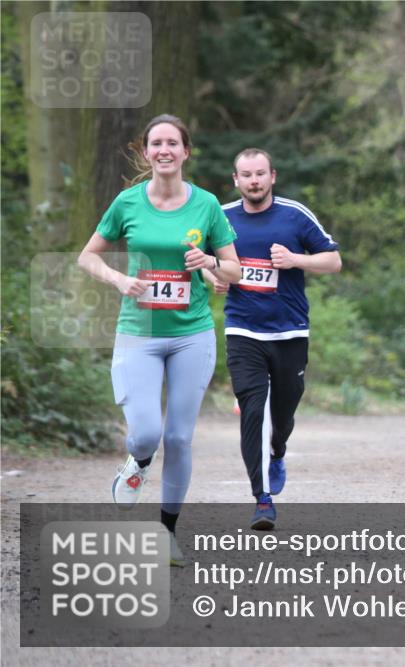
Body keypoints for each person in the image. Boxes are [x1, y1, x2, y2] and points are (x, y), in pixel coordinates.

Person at [78, 114, 240, 566]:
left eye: (173, 143)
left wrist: (208, 260)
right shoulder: (127, 203)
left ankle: (167, 531)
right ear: (146, 153)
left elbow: (234, 271)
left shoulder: (206, 205)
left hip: (191, 335)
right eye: (156, 143)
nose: (164, 150)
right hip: (139, 333)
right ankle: (139, 462)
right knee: (147, 433)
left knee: (181, 438)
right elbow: (87, 256)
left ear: (186, 151)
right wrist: (117, 278)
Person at [203, 148, 340, 530]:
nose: (254, 181)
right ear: (235, 180)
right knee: (252, 410)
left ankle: (278, 450)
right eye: (246, 175)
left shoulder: (295, 215)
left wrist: (297, 260)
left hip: (290, 331)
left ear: (272, 176)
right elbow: (202, 261)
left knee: (283, 414)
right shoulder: (223, 217)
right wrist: (212, 277)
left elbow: (333, 261)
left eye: (260, 173)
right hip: (243, 329)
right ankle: (262, 499)